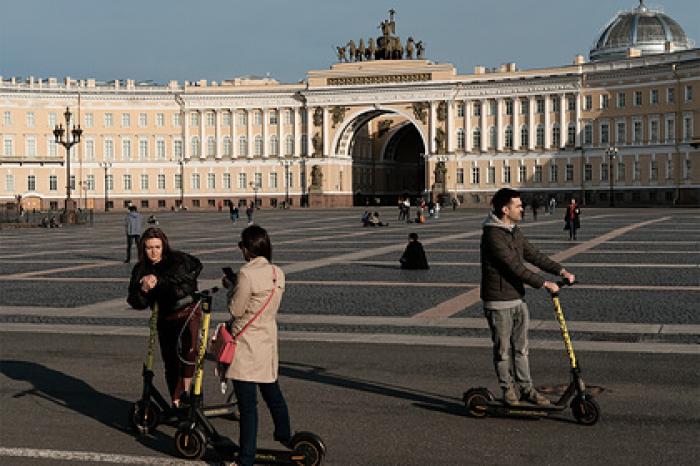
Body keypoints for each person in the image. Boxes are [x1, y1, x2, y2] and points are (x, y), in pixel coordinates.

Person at [480, 188, 575, 406]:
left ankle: (527, 389)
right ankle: (508, 391)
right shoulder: (492, 235)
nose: (522, 208)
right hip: (498, 301)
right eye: (518, 205)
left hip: (517, 299)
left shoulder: (513, 230)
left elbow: (533, 254)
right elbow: (514, 267)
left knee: (522, 349)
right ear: (505, 210)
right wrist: (543, 283)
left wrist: (561, 271)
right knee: (503, 351)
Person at [222, 226, 291, 466]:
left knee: (248, 406)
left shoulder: (246, 274)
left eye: (242, 246)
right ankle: (285, 436)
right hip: (267, 340)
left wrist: (230, 287)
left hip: (246, 343)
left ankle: (246, 459)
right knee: (273, 393)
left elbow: (236, 309)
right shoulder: (277, 272)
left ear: (247, 248)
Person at [127, 227, 203, 407]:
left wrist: (160, 282)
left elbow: (192, 275)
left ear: (164, 246)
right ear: (143, 249)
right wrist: (143, 289)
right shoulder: (140, 269)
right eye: (149, 248)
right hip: (164, 316)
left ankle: (188, 392)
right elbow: (135, 301)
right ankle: (176, 401)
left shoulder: (176, 260)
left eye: (157, 247)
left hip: (187, 311)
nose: (153, 252)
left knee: (189, 350)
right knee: (170, 360)